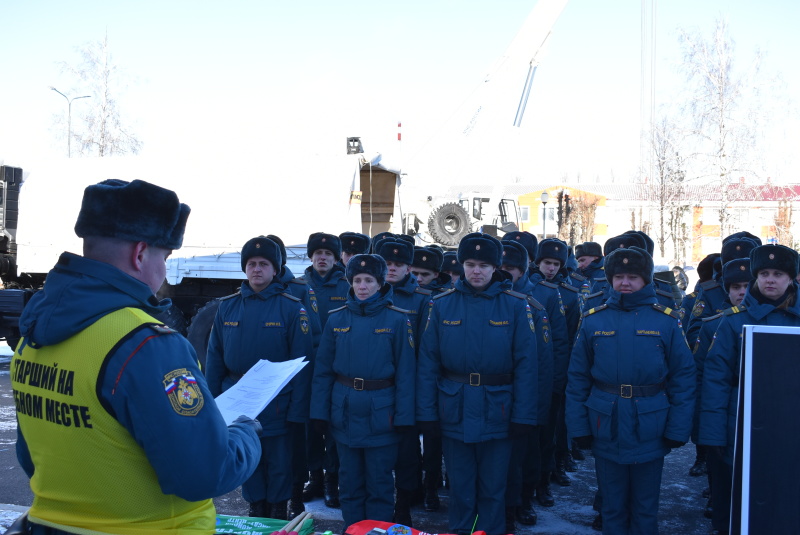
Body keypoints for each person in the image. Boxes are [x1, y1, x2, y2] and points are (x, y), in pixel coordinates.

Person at [12, 179, 262, 534]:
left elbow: (32, 457)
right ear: (140, 254)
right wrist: (244, 433)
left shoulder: (33, 336)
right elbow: (204, 473)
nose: (163, 271)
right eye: (165, 257)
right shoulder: (147, 345)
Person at [567, 246, 696, 535]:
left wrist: (678, 429)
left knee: (645, 507)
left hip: (649, 425)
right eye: (619, 276)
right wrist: (578, 427)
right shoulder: (593, 319)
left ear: (646, 280)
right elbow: (577, 380)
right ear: (610, 279)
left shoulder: (666, 321)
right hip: (605, 423)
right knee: (611, 506)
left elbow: (683, 379)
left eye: (633, 277)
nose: (625, 282)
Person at [417, 232, 538, 535]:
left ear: (496, 267)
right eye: (470, 263)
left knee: (493, 488)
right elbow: (428, 364)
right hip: (454, 409)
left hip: (499, 410)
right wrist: (427, 413)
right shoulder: (441, 305)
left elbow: (527, 365)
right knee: (460, 488)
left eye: (484, 265)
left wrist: (523, 416)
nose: (476, 271)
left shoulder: (516, 306)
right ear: (460, 265)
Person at [205, 236, 314, 519]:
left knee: (278, 460)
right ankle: (255, 505)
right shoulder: (227, 307)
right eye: (251, 264)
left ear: (275, 269)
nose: (257, 269)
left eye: (263, 264)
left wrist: (298, 411)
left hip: (277, 399)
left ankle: (277, 508)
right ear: (244, 268)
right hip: (238, 396)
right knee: (246, 453)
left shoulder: (291, 308)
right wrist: (213, 401)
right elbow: (215, 357)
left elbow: (303, 364)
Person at [699, 244, 800, 535]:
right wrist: (713, 433)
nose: (770, 279)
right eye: (764, 273)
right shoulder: (733, 323)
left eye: (778, 273)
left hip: (791, 428)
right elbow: (716, 381)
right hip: (742, 427)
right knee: (741, 502)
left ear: (790, 278)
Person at [310, 254, 416, 530]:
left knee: (379, 482)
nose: (362, 286)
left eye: (369, 280)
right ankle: (354, 528)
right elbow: (323, 371)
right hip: (343, 411)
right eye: (357, 280)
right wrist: (319, 413)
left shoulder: (397, 320)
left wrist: (405, 417)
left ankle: (377, 529)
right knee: (350, 480)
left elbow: (406, 373)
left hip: (383, 412)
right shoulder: (336, 319)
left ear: (380, 284)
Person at [690, 257, 753, 527]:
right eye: (735, 286)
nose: (742, 292)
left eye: (747, 285)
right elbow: (701, 376)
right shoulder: (714, 323)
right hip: (724, 415)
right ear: (726, 290)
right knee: (722, 470)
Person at [376, 238, 431, 525]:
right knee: (380, 450)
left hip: (409, 386)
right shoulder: (368, 294)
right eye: (386, 263)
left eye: (398, 264)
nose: (392, 269)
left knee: (408, 450)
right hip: (378, 385)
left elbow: (427, 349)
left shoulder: (422, 300)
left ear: (409, 267)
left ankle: (405, 503)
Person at [300, 232, 350, 507]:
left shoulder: (346, 286)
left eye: (328, 254)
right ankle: (315, 478)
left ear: (335, 258)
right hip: (306, 369)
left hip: (335, 369)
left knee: (332, 426)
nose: (322, 258)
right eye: (318, 253)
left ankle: (332, 481)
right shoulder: (299, 286)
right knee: (309, 427)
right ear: (311, 257)